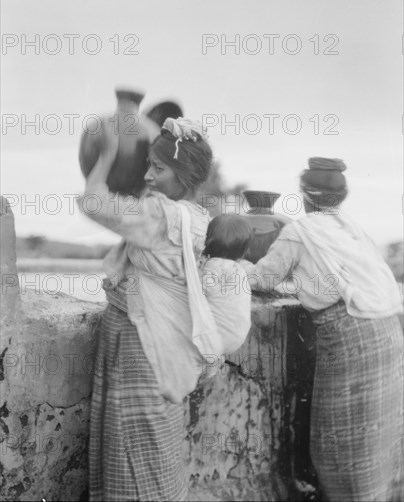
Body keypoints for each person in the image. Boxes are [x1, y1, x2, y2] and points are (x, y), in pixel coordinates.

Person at [78, 117, 221, 502]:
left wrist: (106, 156)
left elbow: (94, 202)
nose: (149, 175)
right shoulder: (199, 218)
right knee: (157, 450)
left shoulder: (161, 215)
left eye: (158, 168)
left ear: (184, 173)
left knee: (133, 451)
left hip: (142, 347)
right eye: (147, 166)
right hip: (168, 348)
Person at [247, 157, 404, 502]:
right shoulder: (350, 228)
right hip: (387, 331)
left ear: (304, 195)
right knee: (375, 434)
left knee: (341, 437)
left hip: (352, 337)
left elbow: (264, 278)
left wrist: (230, 269)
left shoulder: (300, 231)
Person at [199, 213, 253, 356]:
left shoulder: (215, 266)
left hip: (215, 338)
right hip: (236, 337)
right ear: (243, 250)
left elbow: (201, 290)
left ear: (207, 241)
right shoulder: (239, 269)